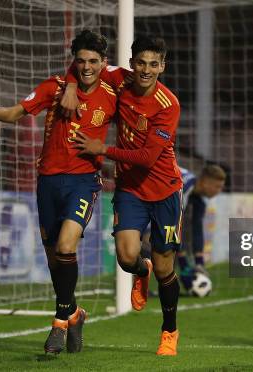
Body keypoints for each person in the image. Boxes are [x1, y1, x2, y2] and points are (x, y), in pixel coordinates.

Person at [0, 30, 117, 355]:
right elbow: (14, 113)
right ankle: (75, 314)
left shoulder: (113, 94)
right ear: (74, 62)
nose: (86, 67)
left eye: (93, 61)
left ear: (104, 63)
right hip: (48, 182)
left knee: (67, 245)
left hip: (83, 181)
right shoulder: (52, 88)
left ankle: (58, 322)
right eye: (80, 61)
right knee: (56, 258)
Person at [62, 36, 183, 356]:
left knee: (165, 268)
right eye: (141, 62)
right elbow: (85, 66)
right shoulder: (119, 79)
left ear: (162, 66)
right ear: (132, 63)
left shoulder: (168, 105)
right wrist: (72, 86)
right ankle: (139, 273)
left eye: (153, 64)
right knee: (127, 257)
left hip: (165, 189)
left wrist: (103, 149)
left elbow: (147, 157)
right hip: (130, 189)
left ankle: (169, 331)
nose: (146, 70)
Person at [176, 165, 226, 291]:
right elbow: (172, 227)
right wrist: (184, 265)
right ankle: (136, 287)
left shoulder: (198, 197)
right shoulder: (182, 188)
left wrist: (199, 262)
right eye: (217, 186)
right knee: (148, 240)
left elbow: (197, 228)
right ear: (204, 183)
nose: (219, 191)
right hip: (138, 191)